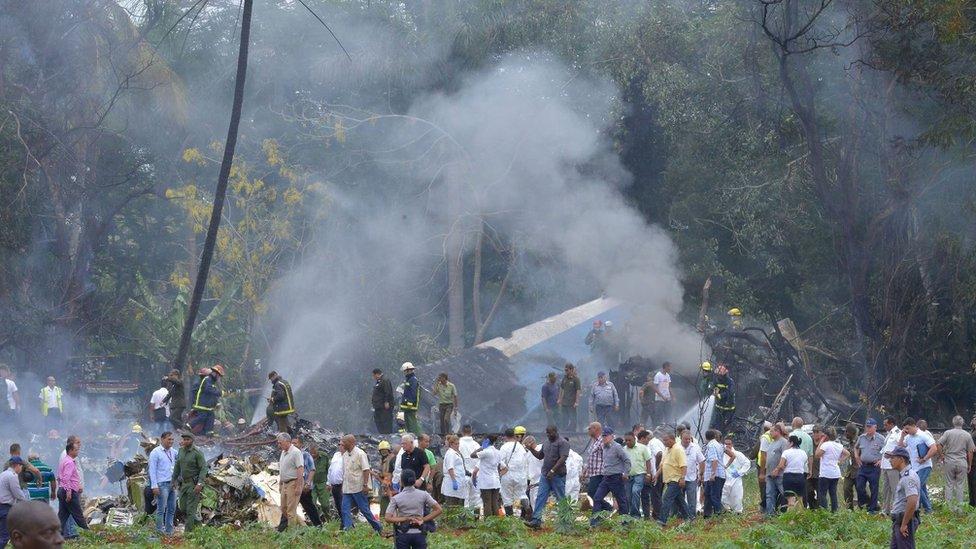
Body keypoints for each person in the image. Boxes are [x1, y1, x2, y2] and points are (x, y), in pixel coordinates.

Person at [385, 468, 442, 549]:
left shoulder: (396, 498)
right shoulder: (424, 494)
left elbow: (387, 518)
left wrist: (405, 518)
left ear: (401, 482)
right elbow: (439, 510)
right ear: (414, 480)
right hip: (419, 533)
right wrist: (423, 519)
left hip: (403, 534)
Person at [526, 425, 569, 528]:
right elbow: (540, 456)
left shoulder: (563, 443)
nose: (548, 435)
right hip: (545, 475)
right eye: (547, 433)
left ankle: (565, 522)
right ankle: (536, 520)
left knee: (560, 498)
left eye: (550, 433)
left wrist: (553, 470)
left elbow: (563, 458)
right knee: (540, 496)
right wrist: (531, 449)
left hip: (557, 475)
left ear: (555, 431)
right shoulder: (546, 443)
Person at [339, 435, 382, 532]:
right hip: (347, 488)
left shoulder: (360, 454)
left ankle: (378, 527)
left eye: (344, 442)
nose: (342, 445)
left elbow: (366, 470)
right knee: (345, 509)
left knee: (364, 509)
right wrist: (342, 486)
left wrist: (365, 485)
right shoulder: (345, 455)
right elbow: (345, 472)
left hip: (358, 487)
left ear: (350, 443)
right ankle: (348, 530)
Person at [589, 427, 630, 525]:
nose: (604, 438)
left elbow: (627, 460)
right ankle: (595, 522)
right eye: (603, 436)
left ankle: (625, 523)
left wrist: (626, 473)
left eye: (606, 436)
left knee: (621, 500)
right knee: (597, 498)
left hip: (616, 477)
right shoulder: (604, 447)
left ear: (612, 436)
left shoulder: (617, 447)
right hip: (606, 478)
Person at [898, 418, 937, 513]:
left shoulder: (923, 435)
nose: (907, 431)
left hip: (924, 466)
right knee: (922, 487)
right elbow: (900, 447)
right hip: (915, 467)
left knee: (916, 486)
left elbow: (934, 448)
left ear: (913, 426)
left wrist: (924, 458)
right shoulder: (908, 437)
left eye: (908, 428)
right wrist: (902, 436)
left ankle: (928, 509)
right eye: (905, 429)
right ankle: (919, 508)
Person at [937, 415, 974, 512]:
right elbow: (970, 451)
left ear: (953, 422)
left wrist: (941, 456)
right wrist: (969, 464)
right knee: (960, 485)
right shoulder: (967, 435)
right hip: (962, 462)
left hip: (949, 461)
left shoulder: (948, 433)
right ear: (963, 423)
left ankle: (949, 509)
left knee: (949, 484)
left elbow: (938, 444)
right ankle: (959, 509)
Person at [886, 447, 920, 549]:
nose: (890, 461)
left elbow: (912, 501)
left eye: (892, 458)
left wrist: (904, 524)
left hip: (905, 520)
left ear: (901, 459)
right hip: (900, 520)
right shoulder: (905, 476)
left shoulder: (908, 477)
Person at [172, 433, 206, 532]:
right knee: (182, 507)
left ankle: (188, 533)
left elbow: (203, 468)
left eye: (188, 439)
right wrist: (173, 480)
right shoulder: (181, 451)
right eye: (184, 439)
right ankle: (198, 525)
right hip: (184, 484)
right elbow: (177, 466)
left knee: (190, 509)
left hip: (193, 484)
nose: (185, 441)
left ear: (192, 440)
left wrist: (200, 483)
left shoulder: (197, 452)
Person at [148, 432, 177, 535]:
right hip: (161, 484)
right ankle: (159, 531)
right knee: (161, 509)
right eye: (169, 439)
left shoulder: (174, 452)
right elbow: (152, 470)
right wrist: (154, 486)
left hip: (172, 484)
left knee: (172, 509)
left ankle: (169, 531)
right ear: (162, 439)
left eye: (172, 439)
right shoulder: (155, 452)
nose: (171, 441)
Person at [55, 445, 86, 539]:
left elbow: (59, 477)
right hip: (69, 492)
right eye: (76, 450)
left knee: (62, 516)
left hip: (62, 490)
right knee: (78, 515)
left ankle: (55, 535)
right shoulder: (69, 462)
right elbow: (66, 478)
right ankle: (89, 534)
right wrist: (68, 492)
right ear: (70, 451)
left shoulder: (64, 461)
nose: (78, 452)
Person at [658, 432, 689, 525]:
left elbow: (683, 465)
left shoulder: (678, 449)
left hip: (676, 479)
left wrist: (682, 478)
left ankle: (662, 520)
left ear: (672, 439)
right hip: (669, 479)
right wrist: (656, 475)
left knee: (666, 498)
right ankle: (689, 517)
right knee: (679, 500)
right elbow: (663, 464)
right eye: (663, 440)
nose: (664, 442)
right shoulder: (667, 449)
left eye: (666, 440)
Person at [815, 427, 849, 512]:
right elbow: (847, 453)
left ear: (826, 436)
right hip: (835, 473)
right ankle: (834, 511)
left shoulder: (825, 445)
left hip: (825, 472)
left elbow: (817, 455)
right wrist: (840, 460)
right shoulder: (838, 445)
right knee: (833, 493)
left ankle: (824, 511)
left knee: (822, 493)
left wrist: (821, 441)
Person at [855, 418, 885, 513]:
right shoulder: (862, 437)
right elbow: (856, 447)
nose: (867, 429)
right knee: (859, 486)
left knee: (874, 488)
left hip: (874, 467)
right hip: (863, 466)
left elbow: (887, 450)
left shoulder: (881, 439)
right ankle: (864, 504)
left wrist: (881, 460)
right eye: (866, 426)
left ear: (875, 427)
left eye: (869, 427)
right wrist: (857, 457)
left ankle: (872, 509)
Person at [276, 433, 304, 531]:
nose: (279, 445)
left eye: (280, 443)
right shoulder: (283, 452)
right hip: (285, 483)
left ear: (287, 441)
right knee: (283, 508)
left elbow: (300, 469)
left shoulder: (296, 452)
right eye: (278, 443)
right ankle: (303, 526)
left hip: (293, 482)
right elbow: (282, 468)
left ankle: (292, 533)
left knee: (291, 510)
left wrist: (298, 486)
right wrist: (280, 483)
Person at [498, 428, 529, 516]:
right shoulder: (521, 447)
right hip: (521, 475)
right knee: (522, 495)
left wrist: (502, 470)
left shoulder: (504, 447)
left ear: (505, 436)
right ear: (515, 435)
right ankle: (526, 511)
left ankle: (510, 518)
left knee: (507, 497)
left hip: (507, 475)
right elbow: (525, 461)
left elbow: (500, 461)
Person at [293, 438, 322, 527]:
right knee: (289, 506)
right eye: (292, 443)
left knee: (309, 507)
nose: (293, 445)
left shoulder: (305, 455)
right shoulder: (290, 455)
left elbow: (312, 470)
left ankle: (318, 526)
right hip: (293, 486)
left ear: (301, 444)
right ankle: (283, 529)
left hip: (304, 487)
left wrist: (308, 483)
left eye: (295, 443)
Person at [471, 434, 503, 517]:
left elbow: (472, 455)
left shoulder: (486, 452)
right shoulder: (498, 452)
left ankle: (488, 522)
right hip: (496, 481)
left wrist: (481, 447)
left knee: (487, 502)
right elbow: (499, 467)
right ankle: (496, 521)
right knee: (495, 503)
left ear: (487, 441)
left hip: (486, 482)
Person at [0, 457, 29, 547]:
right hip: (6, 508)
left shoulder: (3, 474)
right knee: (4, 536)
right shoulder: (12, 476)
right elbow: (17, 493)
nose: (21, 468)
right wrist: (27, 503)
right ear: (17, 465)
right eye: (21, 466)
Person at [623, 432, 653, 518]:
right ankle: (631, 514)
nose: (628, 442)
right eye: (626, 440)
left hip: (640, 475)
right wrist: (623, 473)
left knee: (635, 491)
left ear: (634, 438)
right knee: (628, 496)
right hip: (628, 476)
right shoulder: (624, 449)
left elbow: (648, 461)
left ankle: (635, 515)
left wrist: (648, 474)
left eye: (630, 440)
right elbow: (622, 462)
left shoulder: (642, 448)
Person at [189, 365, 223, 435]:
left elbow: (211, 395)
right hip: (201, 405)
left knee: (210, 418)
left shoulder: (211, 382)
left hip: (207, 406)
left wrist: (216, 403)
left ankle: (208, 434)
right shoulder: (203, 382)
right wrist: (193, 406)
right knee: (202, 417)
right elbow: (195, 396)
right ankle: (189, 427)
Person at [775, 435, 807, 509]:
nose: (787, 444)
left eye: (788, 442)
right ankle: (800, 515)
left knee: (790, 500)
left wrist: (786, 467)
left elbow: (781, 465)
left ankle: (791, 515)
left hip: (788, 477)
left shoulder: (786, 452)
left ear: (791, 443)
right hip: (800, 476)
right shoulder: (803, 453)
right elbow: (804, 463)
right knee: (800, 500)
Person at [720, 437, 751, 513]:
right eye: (726, 444)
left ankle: (738, 511)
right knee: (723, 496)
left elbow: (747, 463)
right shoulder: (721, 454)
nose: (727, 446)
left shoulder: (738, 454)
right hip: (724, 478)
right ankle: (726, 510)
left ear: (732, 444)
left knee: (737, 495)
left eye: (729, 444)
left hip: (735, 478)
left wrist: (740, 472)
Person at [763, 424, 787, 516]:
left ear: (778, 431)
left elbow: (785, 458)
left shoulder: (783, 442)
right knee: (769, 494)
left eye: (772, 431)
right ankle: (770, 514)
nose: (770, 433)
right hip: (769, 473)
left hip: (780, 474)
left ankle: (787, 513)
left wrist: (777, 469)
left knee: (784, 493)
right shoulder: (772, 443)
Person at [702, 429, 726, 517]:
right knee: (709, 495)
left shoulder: (711, 446)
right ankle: (707, 515)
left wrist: (713, 474)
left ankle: (719, 513)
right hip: (718, 474)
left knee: (713, 496)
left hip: (714, 475)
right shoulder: (718, 445)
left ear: (706, 437)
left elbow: (714, 460)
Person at [880, 416, 902, 514]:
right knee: (886, 488)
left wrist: (893, 454)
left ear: (892, 424)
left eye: (886, 425)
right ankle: (886, 509)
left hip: (892, 465)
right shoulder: (889, 434)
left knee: (895, 488)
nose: (884, 426)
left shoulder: (898, 433)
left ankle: (897, 509)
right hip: (885, 464)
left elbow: (901, 446)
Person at [581, 422, 604, 511]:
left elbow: (607, 455)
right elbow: (591, 458)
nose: (588, 431)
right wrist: (585, 471)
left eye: (590, 429)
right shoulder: (594, 442)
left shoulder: (602, 441)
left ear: (596, 429)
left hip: (599, 473)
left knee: (592, 494)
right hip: (593, 473)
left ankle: (607, 508)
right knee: (594, 494)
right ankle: (599, 511)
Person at [681, 430, 704, 518]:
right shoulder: (677, 447)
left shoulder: (695, 447)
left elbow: (702, 461)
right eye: (685, 439)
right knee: (679, 498)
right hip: (679, 478)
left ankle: (692, 516)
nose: (687, 441)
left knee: (692, 498)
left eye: (689, 439)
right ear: (681, 438)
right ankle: (679, 515)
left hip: (692, 478)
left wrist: (701, 474)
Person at [457, 426, 482, 510]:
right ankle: (476, 517)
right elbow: (480, 460)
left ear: (461, 432)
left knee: (465, 500)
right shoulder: (476, 445)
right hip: (476, 476)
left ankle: (467, 517)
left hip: (462, 476)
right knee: (477, 501)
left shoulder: (458, 444)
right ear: (471, 432)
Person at [440, 435, 467, 507]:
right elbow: (450, 468)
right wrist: (454, 481)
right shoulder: (450, 453)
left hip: (459, 482)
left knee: (458, 506)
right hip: (451, 483)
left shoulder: (455, 453)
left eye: (458, 443)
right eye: (456, 444)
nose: (458, 445)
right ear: (451, 444)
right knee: (452, 506)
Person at [309, 443, 333, 520]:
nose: (313, 455)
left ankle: (329, 520)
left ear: (317, 450)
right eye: (311, 453)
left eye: (314, 453)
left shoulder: (324, 456)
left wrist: (329, 483)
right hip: (312, 484)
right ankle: (316, 521)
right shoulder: (307, 457)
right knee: (312, 503)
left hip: (323, 484)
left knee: (325, 505)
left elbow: (329, 470)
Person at [557, 364, 581, 433]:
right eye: (565, 370)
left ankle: (573, 431)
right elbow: (561, 388)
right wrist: (559, 399)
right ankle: (564, 431)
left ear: (571, 370)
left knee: (573, 418)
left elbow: (578, 391)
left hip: (572, 403)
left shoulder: (576, 379)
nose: (566, 371)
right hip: (564, 402)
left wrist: (577, 402)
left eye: (567, 370)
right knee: (564, 417)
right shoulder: (564, 378)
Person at [712, 364, 735, 436]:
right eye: (718, 374)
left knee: (728, 426)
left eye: (720, 375)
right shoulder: (716, 380)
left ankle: (728, 438)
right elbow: (714, 387)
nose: (719, 376)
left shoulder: (730, 381)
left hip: (729, 408)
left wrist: (721, 395)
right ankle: (718, 437)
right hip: (719, 407)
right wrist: (715, 391)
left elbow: (730, 392)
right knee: (718, 426)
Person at [370, 369, 395, 434]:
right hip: (378, 407)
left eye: (374, 375)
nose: (373, 377)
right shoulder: (379, 381)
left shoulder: (385, 380)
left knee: (386, 422)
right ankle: (382, 434)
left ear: (377, 374)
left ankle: (387, 435)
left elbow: (387, 392)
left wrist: (386, 401)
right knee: (378, 421)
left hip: (384, 407)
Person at [400, 363, 422, 435]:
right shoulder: (409, 379)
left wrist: (410, 403)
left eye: (405, 371)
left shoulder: (413, 380)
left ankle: (418, 436)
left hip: (410, 405)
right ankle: (411, 436)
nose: (404, 373)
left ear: (408, 370)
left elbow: (413, 392)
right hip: (407, 405)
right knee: (408, 423)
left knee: (412, 422)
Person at [841, 423, 859, 509]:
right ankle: (849, 509)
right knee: (846, 488)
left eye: (847, 431)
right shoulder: (850, 442)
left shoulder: (859, 441)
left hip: (859, 470)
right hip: (850, 471)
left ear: (852, 432)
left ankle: (866, 506)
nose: (845, 433)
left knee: (861, 490)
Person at [757, 421, 772, 513]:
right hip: (772, 464)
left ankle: (764, 506)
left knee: (763, 487)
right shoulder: (775, 436)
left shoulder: (764, 437)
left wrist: (762, 472)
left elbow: (760, 454)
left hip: (763, 465)